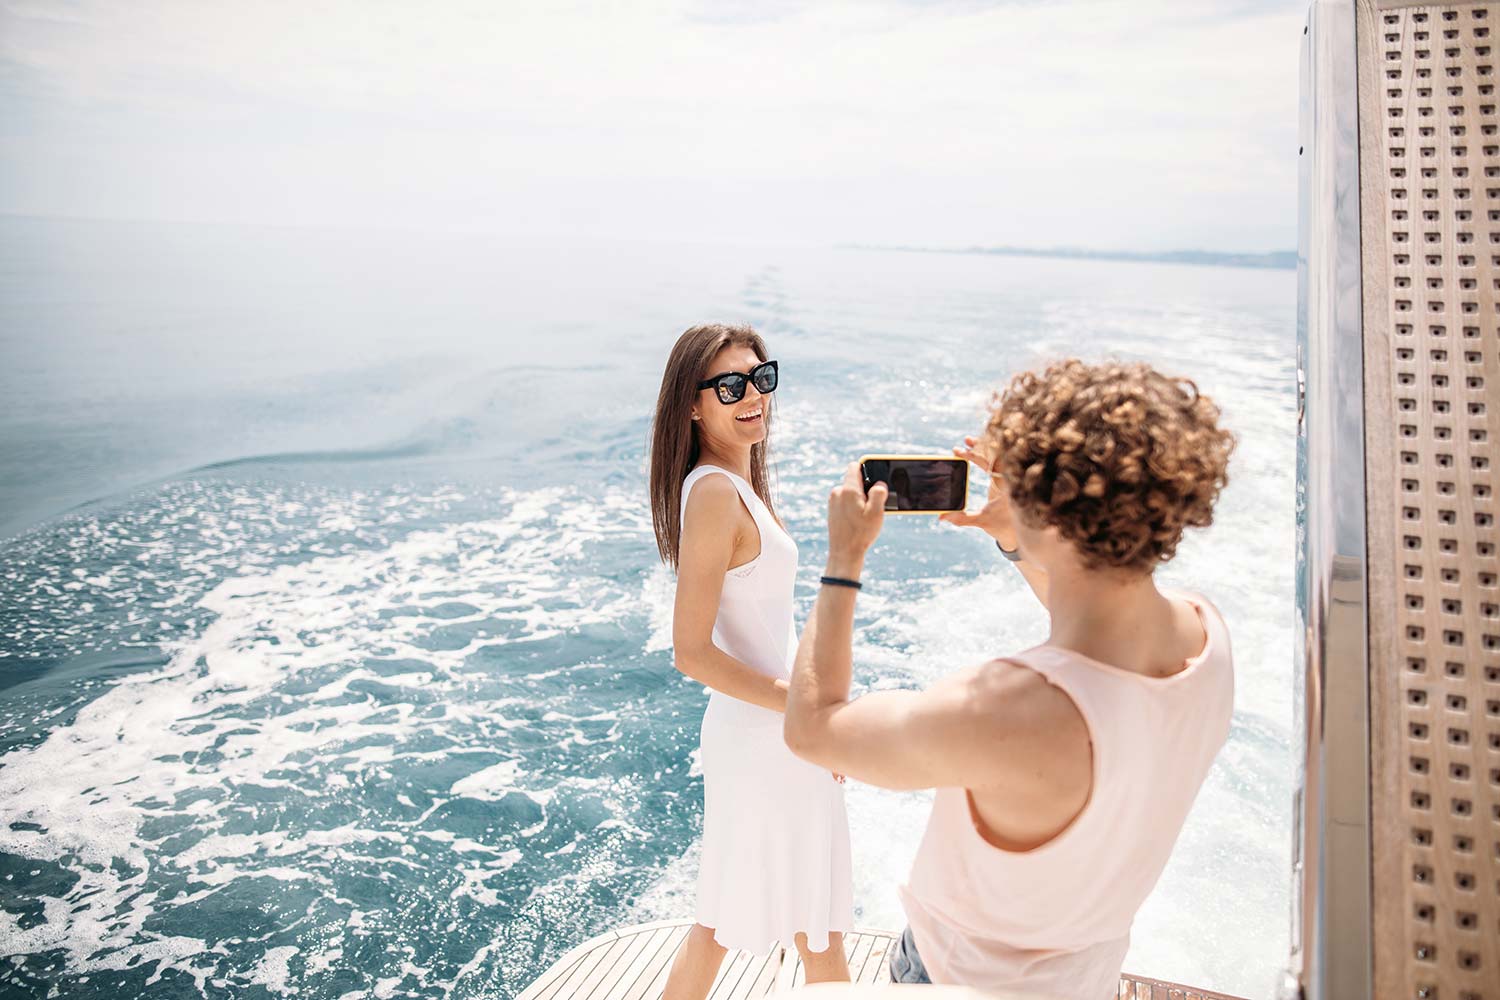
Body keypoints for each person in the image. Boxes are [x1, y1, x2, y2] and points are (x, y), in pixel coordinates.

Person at [783, 359, 1237, 998]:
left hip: (955, 980)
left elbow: (814, 728)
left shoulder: (1011, 710)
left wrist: (844, 558)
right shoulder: (1204, 638)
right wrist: (1018, 537)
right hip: (1085, 978)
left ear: (1048, 511)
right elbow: (1097, 627)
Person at [648, 323, 853, 998]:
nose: (752, 395)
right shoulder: (714, 493)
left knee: (738, 920)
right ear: (692, 405)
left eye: (761, 378)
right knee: (808, 925)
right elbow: (692, 651)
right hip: (767, 737)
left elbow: (764, 630)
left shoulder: (736, 485)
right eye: (730, 385)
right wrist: (807, 715)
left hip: (772, 733)